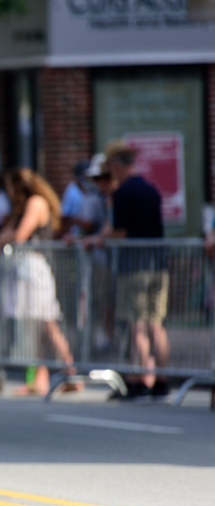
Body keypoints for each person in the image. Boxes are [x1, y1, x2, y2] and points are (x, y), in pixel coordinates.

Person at [0, 167, 79, 395]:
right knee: (34, 328)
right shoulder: (24, 206)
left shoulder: (36, 202)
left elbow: (19, 236)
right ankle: (39, 378)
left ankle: (72, 372)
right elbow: (6, 234)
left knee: (48, 324)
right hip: (24, 268)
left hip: (34, 268)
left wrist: (6, 237)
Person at [102, 139, 170, 400]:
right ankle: (162, 380)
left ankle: (138, 381)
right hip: (157, 265)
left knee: (137, 325)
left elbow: (120, 232)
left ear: (117, 165)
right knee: (156, 325)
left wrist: (101, 240)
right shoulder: (151, 189)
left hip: (134, 267)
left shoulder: (123, 193)